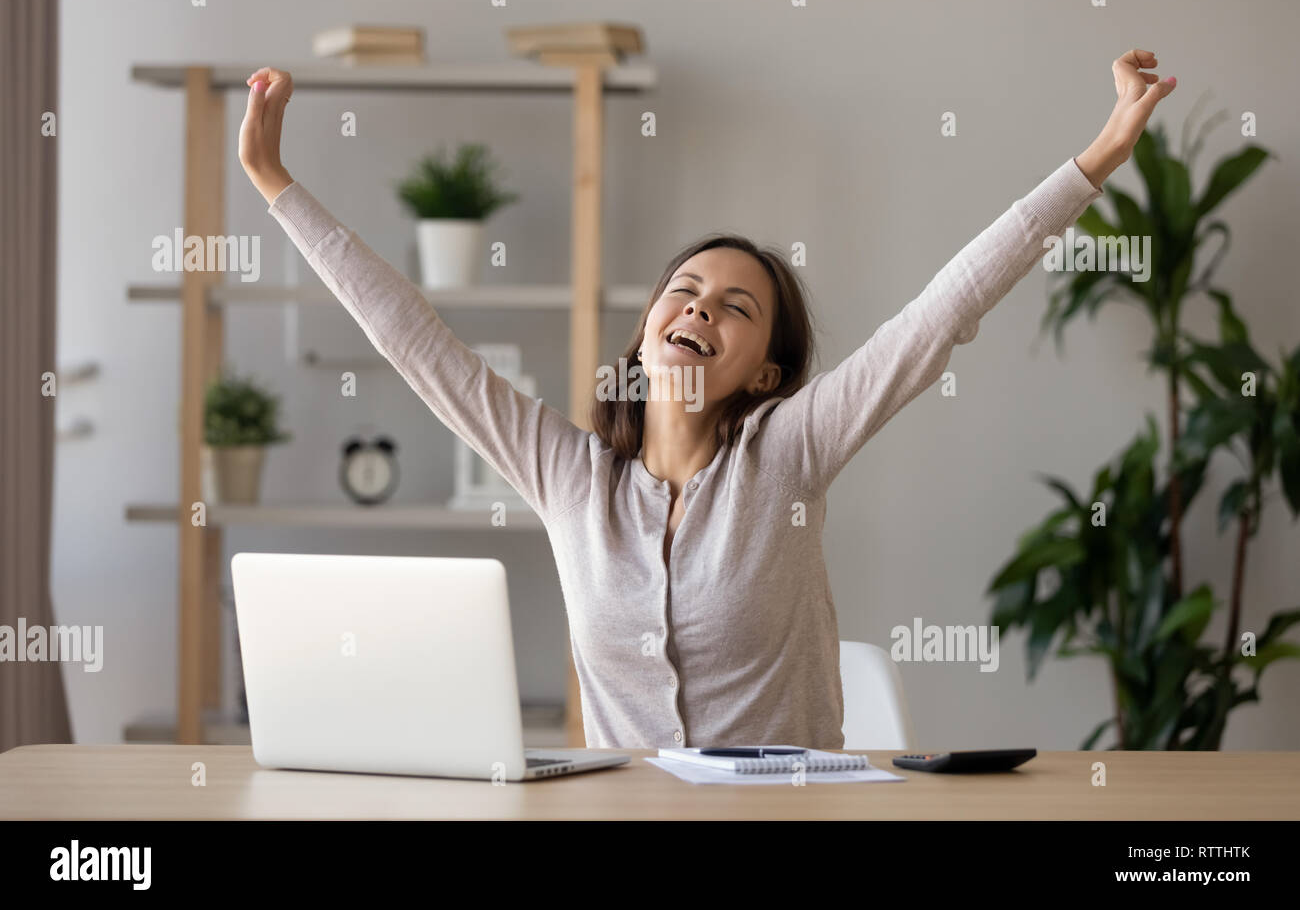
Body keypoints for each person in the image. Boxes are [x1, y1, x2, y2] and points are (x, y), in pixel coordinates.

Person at [238, 50, 1175, 750]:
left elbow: (943, 314)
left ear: (765, 372)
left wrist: (1096, 157)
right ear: (646, 329)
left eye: (737, 308)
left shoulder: (792, 450)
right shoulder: (570, 477)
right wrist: (275, 183)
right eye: (682, 291)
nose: (699, 309)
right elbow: (414, 342)